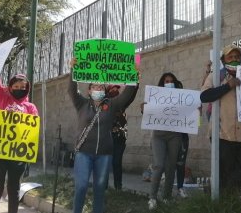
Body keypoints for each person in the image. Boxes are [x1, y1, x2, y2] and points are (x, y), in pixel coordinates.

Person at [69, 58, 139, 213]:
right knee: (81, 187)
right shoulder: (81, 103)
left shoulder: (112, 104)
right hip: (84, 153)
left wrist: (134, 74)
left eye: (101, 86)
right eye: (95, 86)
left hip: (104, 155)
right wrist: (72, 70)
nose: (98, 89)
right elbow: (72, 91)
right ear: (89, 90)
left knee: (100, 190)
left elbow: (126, 95)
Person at [200, 45, 241, 193]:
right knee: (224, 172)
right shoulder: (216, 77)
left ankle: (222, 192)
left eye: (237, 57)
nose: (234, 59)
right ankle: (224, 200)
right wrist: (227, 86)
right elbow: (204, 96)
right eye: (230, 57)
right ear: (223, 61)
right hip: (222, 135)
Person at [0, 74, 38, 213]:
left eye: (23, 87)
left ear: (27, 89)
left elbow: (33, 129)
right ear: (10, 87)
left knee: (14, 189)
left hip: (18, 155)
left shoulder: (31, 108)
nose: (19, 89)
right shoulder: (3, 99)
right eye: (16, 87)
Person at [145, 73, 184, 210]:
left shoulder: (181, 98)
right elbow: (148, 113)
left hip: (175, 136)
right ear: (162, 83)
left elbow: (189, 114)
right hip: (159, 136)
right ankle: (152, 197)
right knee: (159, 165)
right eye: (166, 81)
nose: (169, 83)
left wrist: (196, 110)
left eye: (171, 81)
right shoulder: (155, 97)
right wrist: (144, 108)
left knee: (171, 167)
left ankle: (166, 196)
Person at [106, 85, 132, 190]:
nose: (115, 90)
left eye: (117, 89)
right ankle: (104, 186)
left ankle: (118, 186)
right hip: (107, 137)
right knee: (106, 162)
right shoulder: (104, 104)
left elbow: (131, 96)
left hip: (120, 138)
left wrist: (136, 84)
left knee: (117, 162)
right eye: (112, 89)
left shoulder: (122, 103)